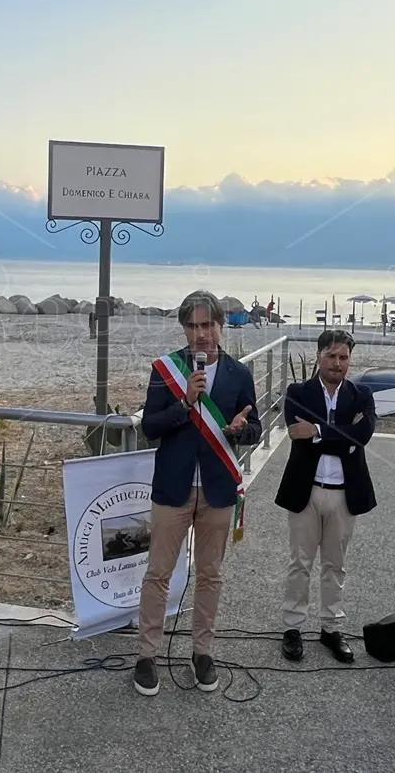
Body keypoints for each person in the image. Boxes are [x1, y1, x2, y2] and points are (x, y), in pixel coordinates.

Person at [132, 289, 262, 697]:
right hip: (173, 488)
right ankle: (147, 655)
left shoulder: (240, 374)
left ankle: (202, 651)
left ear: (221, 326)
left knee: (211, 575)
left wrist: (242, 431)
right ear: (184, 329)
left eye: (208, 325)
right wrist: (186, 403)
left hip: (219, 490)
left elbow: (255, 426)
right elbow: (149, 427)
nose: (201, 334)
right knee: (158, 574)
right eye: (193, 326)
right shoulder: (166, 370)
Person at [276, 329, 376, 663]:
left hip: (345, 495)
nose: (337, 363)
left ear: (350, 359)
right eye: (331, 356)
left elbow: (362, 436)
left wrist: (317, 431)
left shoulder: (361, 395)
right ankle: (293, 628)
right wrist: (343, 434)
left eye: (343, 357)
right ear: (319, 355)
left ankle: (331, 628)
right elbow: (295, 433)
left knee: (336, 565)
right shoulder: (297, 392)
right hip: (306, 491)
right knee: (299, 563)